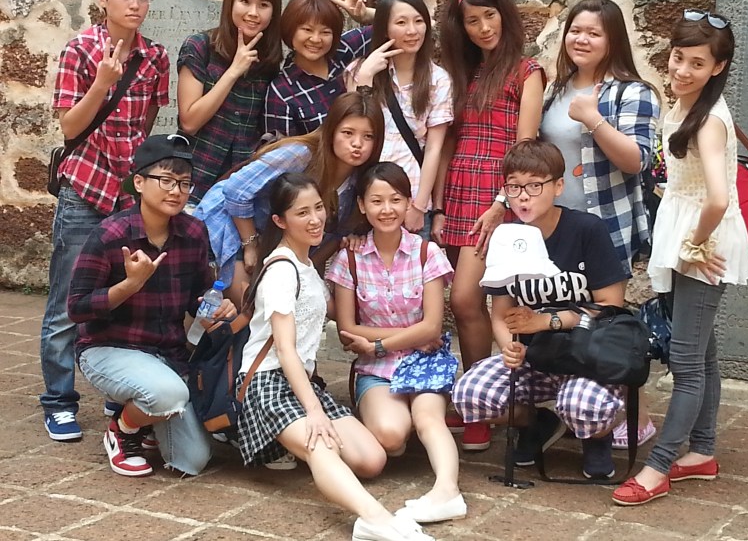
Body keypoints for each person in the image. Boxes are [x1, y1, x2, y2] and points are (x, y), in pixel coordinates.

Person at [236, 172, 434, 541]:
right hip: (268, 381)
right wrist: (314, 411)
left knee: (371, 460)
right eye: (301, 213)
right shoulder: (282, 269)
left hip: (302, 380)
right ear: (280, 221)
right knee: (321, 443)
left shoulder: (308, 264)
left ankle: (297, 443)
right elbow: (284, 349)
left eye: (318, 209)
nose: (314, 220)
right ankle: (374, 519)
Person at [612, 10, 748, 506]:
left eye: (697, 62)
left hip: (701, 244)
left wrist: (694, 246)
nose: (682, 69)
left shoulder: (709, 120)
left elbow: (717, 197)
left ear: (718, 67)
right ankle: (703, 452)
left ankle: (658, 466)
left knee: (687, 361)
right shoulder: (688, 105)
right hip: (690, 235)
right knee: (704, 351)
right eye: (678, 58)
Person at [40, 0, 170, 441]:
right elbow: (70, 126)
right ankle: (58, 401)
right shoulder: (80, 49)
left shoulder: (156, 57)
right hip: (84, 191)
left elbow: (147, 125)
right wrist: (102, 84)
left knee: (126, 300)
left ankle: (121, 397)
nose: (135, 6)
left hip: (127, 197)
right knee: (66, 303)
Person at [451, 140, 629, 479]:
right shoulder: (507, 237)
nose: (523, 196)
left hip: (586, 355)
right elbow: (500, 312)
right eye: (514, 187)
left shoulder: (585, 230)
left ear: (558, 186)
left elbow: (611, 307)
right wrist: (508, 346)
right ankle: (536, 423)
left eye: (535, 185)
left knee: (583, 407)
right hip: (535, 359)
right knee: (468, 394)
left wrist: (548, 321)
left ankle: (596, 436)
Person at [69, 134, 235, 477]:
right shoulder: (110, 235)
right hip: (109, 347)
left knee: (192, 460)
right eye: (166, 180)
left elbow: (198, 294)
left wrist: (214, 306)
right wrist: (129, 285)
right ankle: (123, 429)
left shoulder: (193, 232)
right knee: (168, 395)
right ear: (139, 182)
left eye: (185, 183)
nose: (176, 190)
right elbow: (77, 308)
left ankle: (147, 420)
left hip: (168, 354)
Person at [539, 0, 661, 451]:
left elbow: (636, 160)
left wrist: (593, 120)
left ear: (612, 39)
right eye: (575, 29)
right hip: (555, 228)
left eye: (593, 32)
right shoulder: (556, 88)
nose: (581, 39)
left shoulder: (634, 92)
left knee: (606, 321)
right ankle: (582, 405)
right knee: (568, 318)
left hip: (606, 225)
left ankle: (636, 411)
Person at [436, 0, 545, 449]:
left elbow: (525, 146)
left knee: (466, 299)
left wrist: (503, 202)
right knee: (464, 306)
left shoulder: (527, 71)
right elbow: (448, 140)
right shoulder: (462, 72)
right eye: (473, 22)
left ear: (504, 15)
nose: (484, 27)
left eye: (490, 16)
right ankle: (481, 405)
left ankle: (480, 403)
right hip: (459, 188)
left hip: (497, 196)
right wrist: (437, 204)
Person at [327, 163, 466, 524]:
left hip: (424, 359)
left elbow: (433, 326)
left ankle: (448, 490)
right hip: (376, 369)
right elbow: (346, 327)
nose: (386, 209)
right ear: (361, 205)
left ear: (408, 204)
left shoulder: (427, 253)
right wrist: (402, 338)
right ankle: (397, 427)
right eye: (376, 200)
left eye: (395, 199)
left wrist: (377, 343)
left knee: (428, 417)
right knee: (390, 437)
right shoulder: (350, 259)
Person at [193, 92, 384, 306]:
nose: (357, 144)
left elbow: (336, 234)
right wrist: (250, 245)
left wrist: (305, 268)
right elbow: (236, 190)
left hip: (271, 239)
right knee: (249, 307)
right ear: (331, 131)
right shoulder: (300, 154)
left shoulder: (358, 181)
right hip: (229, 222)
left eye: (368, 136)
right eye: (348, 133)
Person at [346, 0, 453, 238]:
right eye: (401, 23)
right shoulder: (361, 70)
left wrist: (419, 205)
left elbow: (434, 148)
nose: (412, 31)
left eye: (418, 21)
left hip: (411, 197)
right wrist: (364, 80)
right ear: (384, 29)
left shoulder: (438, 79)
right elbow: (352, 128)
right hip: (366, 200)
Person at [177, 0, 283, 206]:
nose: (253, 13)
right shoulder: (200, 47)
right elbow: (189, 121)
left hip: (240, 191)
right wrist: (234, 70)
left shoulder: (269, 61)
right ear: (230, 4)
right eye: (245, 2)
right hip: (193, 181)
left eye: (264, 5)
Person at [263, 0, 374, 138]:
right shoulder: (282, 92)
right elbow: (282, 154)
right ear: (290, 30)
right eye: (307, 30)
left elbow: (400, 25)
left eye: (325, 32)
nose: (316, 39)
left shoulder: (344, 50)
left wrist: (366, 15)